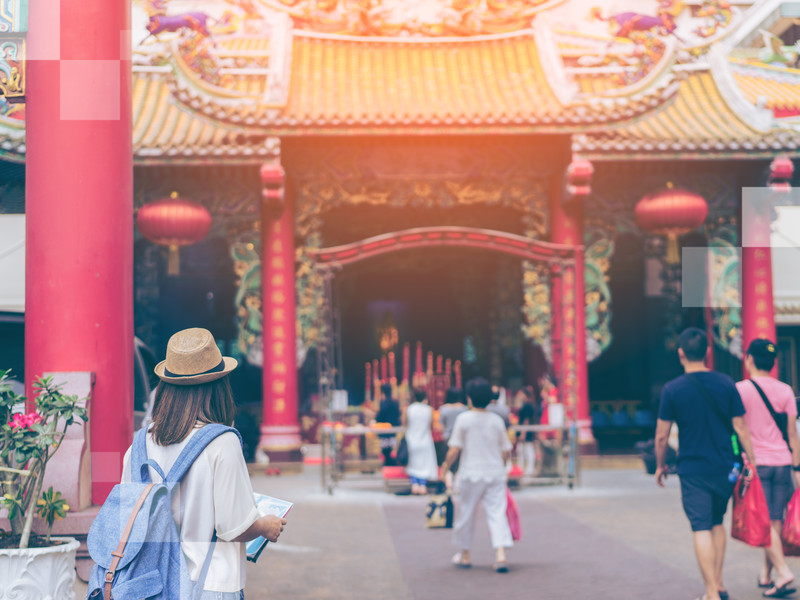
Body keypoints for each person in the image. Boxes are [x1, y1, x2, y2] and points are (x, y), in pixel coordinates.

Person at [121, 327, 286, 599]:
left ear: (165, 387)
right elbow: (235, 528)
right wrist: (267, 525)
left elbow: (128, 519)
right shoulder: (222, 442)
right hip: (210, 584)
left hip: (148, 585)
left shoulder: (139, 445)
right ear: (218, 387)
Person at [655, 327, 756, 600]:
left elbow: (662, 435)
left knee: (700, 527)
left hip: (693, 469)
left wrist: (660, 465)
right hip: (726, 468)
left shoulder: (672, 390)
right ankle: (719, 583)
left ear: (680, 354)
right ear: (708, 353)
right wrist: (752, 460)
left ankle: (711, 592)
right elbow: (740, 426)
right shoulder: (726, 383)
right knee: (716, 523)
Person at [736, 339, 800, 598]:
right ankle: (766, 574)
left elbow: (737, 428)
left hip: (758, 464)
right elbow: (792, 434)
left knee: (765, 524)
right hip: (783, 464)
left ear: (749, 359)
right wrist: (797, 466)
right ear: (773, 363)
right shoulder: (785, 390)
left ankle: (783, 573)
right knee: (774, 520)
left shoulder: (740, 390)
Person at [441, 377, 513, 573]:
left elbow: (454, 449)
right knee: (497, 513)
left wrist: (446, 467)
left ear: (469, 398)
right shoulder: (497, 420)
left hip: (470, 473)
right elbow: (506, 449)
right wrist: (503, 464)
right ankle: (500, 554)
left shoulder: (464, 419)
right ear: (490, 399)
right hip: (495, 472)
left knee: (466, 513)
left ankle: (465, 554)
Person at [403, 387, 439, 495]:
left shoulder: (408, 409)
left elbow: (404, 423)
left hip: (411, 439)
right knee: (424, 464)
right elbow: (432, 426)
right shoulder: (429, 409)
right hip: (425, 439)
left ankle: (414, 485)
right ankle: (423, 486)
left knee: (413, 464)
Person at [374, 383, 401, 466]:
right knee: (390, 445)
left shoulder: (383, 403)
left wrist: (376, 419)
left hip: (385, 429)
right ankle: (390, 461)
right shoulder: (395, 402)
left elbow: (380, 415)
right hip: (393, 427)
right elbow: (398, 414)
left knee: (385, 447)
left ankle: (388, 461)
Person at [516, 387, 538, 477]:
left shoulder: (527, 406)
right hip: (525, 431)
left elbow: (526, 420)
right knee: (523, 450)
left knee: (527, 449)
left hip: (525, 431)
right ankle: (524, 468)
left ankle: (529, 468)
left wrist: (523, 433)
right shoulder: (527, 405)